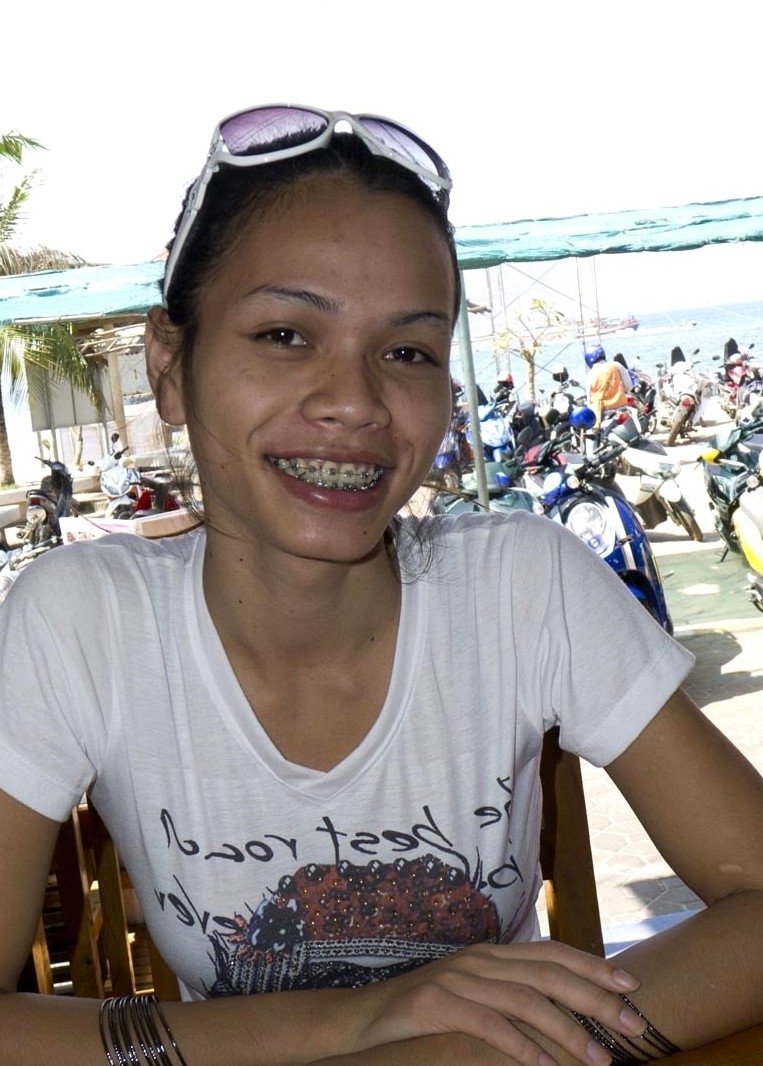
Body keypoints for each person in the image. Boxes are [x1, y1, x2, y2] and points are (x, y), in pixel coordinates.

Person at [0, 104, 762, 1066]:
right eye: (285, 334)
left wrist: (465, 1052)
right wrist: (365, 1018)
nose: (354, 402)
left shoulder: (520, 586)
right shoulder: (82, 623)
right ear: (170, 367)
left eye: (407, 352)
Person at [584, 345, 631, 425]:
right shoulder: (616, 365)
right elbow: (629, 386)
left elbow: (589, 400)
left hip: (603, 414)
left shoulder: (590, 375)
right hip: (622, 408)